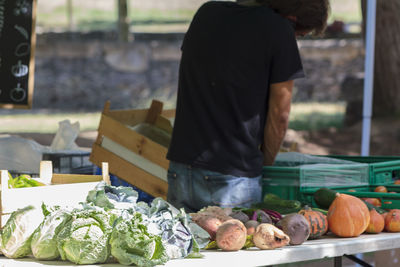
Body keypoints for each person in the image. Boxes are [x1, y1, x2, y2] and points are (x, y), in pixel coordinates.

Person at [166, 0, 330, 212]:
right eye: (300, 35)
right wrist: (267, 166)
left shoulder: (207, 12)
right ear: (292, 19)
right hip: (232, 177)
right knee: (237, 243)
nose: (296, 39)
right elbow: (280, 114)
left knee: (182, 243)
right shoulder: (279, 30)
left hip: (180, 167)